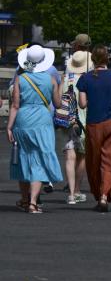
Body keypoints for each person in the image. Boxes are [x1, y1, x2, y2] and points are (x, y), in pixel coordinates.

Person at [7, 45, 63, 213]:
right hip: (42, 120)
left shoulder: (20, 79)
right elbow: (58, 104)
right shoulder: (51, 79)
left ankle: (24, 199)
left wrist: (9, 127)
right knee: (39, 159)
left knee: (23, 157)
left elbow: (15, 105)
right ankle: (33, 202)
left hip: (23, 119)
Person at [77, 44, 111, 212]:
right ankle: (105, 195)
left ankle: (99, 193)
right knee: (110, 160)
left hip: (93, 124)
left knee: (94, 160)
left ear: (93, 59)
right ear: (108, 59)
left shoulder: (85, 78)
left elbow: (82, 104)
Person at [57, 50, 93, 205]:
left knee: (69, 157)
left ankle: (71, 193)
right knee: (82, 157)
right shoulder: (87, 80)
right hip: (83, 121)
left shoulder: (65, 79)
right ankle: (78, 190)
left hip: (66, 121)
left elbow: (58, 101)